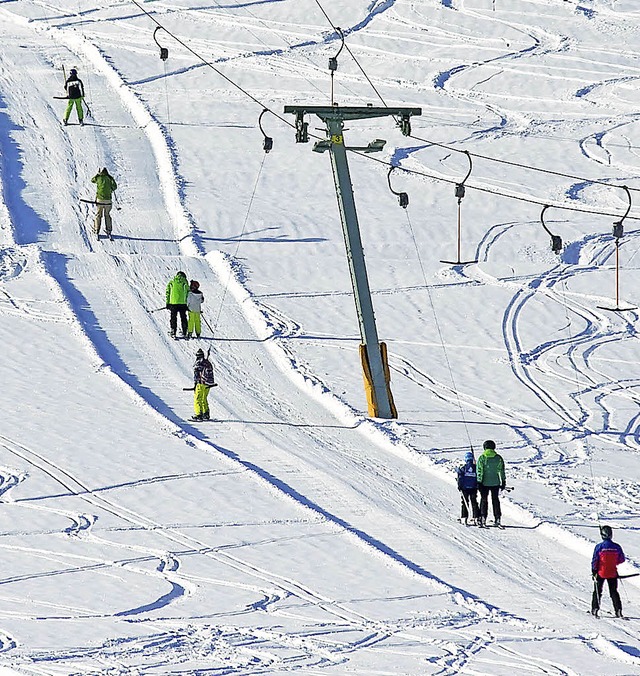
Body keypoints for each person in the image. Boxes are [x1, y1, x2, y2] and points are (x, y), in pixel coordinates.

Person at [591, 525, 625, 618]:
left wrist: (594, 571)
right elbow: (622, 559)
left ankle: (595, 609)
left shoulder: (599, 547)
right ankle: (618, 610)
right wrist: (613, 563)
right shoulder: (617, 547)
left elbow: (595, 560)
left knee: (597, 591)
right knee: (614, 592)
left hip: (601, 572)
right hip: (612, 572)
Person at [476, 440, 506, 527]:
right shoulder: (498, 458)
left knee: (484, 500)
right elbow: (502, 471)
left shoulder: (482, 458)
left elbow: (479, 471)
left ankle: (483, 517)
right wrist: (503, 481)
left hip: (484, 483)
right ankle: (497, 518)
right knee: (495, 500)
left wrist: (479, 481)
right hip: (495, 482)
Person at [91, 168, 118, 239]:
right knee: (107, 215)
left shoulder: (98, 178)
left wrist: (97, 174)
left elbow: (92, 180)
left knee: (98, 215)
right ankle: (109, 230)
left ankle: (96, 230)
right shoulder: (109, 178)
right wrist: (110, 189)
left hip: (100, 200)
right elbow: (115, 187)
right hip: (108, 201)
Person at [191, 348, 215, 421]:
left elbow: (196, 375)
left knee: (197, 399)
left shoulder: (198, 363)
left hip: (201, 383)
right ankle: (206, 414)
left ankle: (198, 414)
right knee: (204, 398)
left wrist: (196, 384)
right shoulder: (207, 362)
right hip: (208, 384)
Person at [457, 450, 480, 526]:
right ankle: (476, 517)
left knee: (465, 502)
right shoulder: (475, 468)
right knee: (474, 502)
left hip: (465, 488)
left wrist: (459, 485)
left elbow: (460, 476)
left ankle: (464, 517)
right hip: (473, 488)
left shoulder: (464, 468)